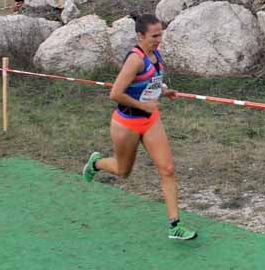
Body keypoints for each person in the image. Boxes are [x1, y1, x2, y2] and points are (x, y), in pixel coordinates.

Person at [81, 14, 197, 241]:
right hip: (126, 124)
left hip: (151, 120)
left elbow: (150, 80)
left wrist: (164, 91)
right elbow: (115, 94)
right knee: (123, 171)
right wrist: (142, 105)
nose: (158, 40)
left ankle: (175, 226)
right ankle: (96, 163)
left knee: (168, 169)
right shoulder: (135, 59)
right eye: (154, 36)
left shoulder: (156, 55)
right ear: (140, 35)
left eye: (160, 35)